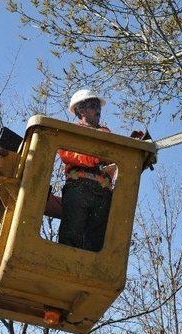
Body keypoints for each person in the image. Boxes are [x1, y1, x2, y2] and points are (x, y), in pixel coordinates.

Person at [57, 89, 116, 252]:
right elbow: (67, 154)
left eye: (99, 106)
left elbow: (117, 158)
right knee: (71, 236)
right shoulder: (71, 133)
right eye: (93, 106)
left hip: (102, 192)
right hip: (79, 187)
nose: (98, 110)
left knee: (96, 244)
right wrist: (95, 158)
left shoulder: (107, 134)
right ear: (81, 110)